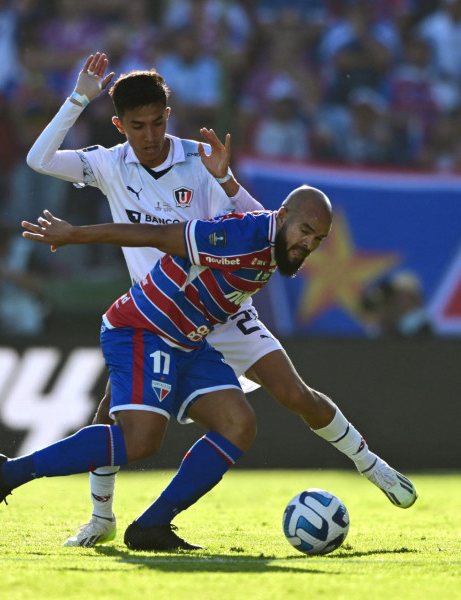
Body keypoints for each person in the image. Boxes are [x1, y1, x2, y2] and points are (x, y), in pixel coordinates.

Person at [23, 52, 417, 547]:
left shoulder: (199, 158)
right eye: (138, 126)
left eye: (158, 122)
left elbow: (266, 226)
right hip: (158, 312)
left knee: (294, 394)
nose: (149, 136)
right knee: (112, 414)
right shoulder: (107, 164)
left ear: (169, 117)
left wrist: (227, 180)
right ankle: (102, 517)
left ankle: (372, 466)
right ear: (120, 125)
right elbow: (38, 160)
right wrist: (80, 96)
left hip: (224, 308)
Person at [0, 185, 338, 550]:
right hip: (143, 327)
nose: (308, 244)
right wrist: (76, 234)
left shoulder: (276, 242)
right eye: (305, 232)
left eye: (317, 239)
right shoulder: (238, 235)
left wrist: (228, 182)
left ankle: (152, 524)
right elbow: (156, 235)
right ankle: (8, 473)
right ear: (285, 216)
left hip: (188, 341)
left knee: (238, 424)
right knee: (140, 440)